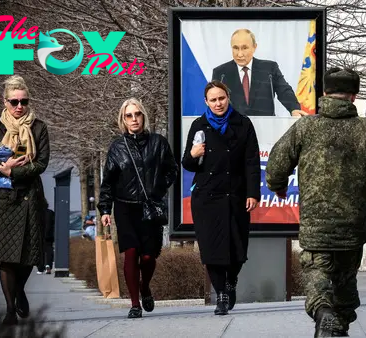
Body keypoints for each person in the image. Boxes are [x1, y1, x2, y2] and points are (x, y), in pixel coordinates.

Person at [265, 67, 366, 337]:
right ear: (354, 96)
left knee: (317, 275)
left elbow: (277, 164)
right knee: (345, 287)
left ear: (324, 93)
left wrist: (277, 187)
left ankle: (323, 314)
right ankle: (337, 326)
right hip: (352, 226)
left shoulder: (306, 126)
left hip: (316, 227)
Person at [0, 75, 50, 325]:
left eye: (24, 101)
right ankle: (9, 310)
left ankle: (19, 290)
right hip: (1, 200)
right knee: (7, 257)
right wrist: (1, 167)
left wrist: (14, 171)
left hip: (29, 198)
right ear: (4, 102)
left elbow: (41, 164)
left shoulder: (39, 127)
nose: (19, 106)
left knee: (30, 255)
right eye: (14, 101)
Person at [181, 80, 261, 316]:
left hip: (235, 196)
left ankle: (231, 282)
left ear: (228, 98)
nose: (218, 103)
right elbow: (187, 162)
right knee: (211, 249)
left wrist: (253, 193)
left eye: (221, 98)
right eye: (213, 100)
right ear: (206, 102)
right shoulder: (199, 126)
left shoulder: (243, 124)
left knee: (237, 249)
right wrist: (194, 155)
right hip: (207, 198)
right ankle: (221, 296)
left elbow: (252, 162)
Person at [98, 98, 179, 319]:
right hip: (125, 208)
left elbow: (172, 170)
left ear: (144, 116)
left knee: (148, 257)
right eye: (129, 116)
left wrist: (158, 188)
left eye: (137, 114)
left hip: (150, 207)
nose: (134, 119)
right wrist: (105, 209)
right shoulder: (117, 147)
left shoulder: (158, 143)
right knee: (131, 253)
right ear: (123, 120)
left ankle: (145, 287)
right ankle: (135, 304)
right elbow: (108, 182)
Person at [211, 28, 306, 117]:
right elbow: (214, 101)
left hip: (266, 126)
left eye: (244, 48)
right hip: (232, 129)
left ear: (254, 47)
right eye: (236, 48)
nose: (239, 54)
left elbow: (284, 91)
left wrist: (294, 108)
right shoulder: (221, 73)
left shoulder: (269, 68)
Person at [36, 206, 55, 275]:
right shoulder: (51, 212)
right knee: (49, 250)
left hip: (39, 235)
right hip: (49, 235)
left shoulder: (37, 212)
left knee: (39, 251)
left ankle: (40, 268)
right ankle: (48, 265)